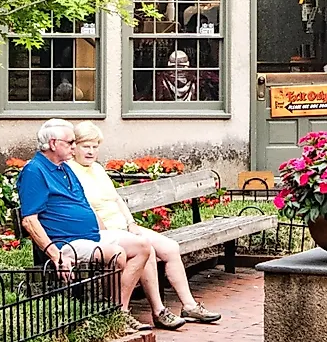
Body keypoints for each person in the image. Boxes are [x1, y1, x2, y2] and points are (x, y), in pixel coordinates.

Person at [67, 121, 220, 330]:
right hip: (105, 232)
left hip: (123, 226)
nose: (91, 151)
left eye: (95, 146)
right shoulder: (70, 171)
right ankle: (158, 311)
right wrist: (105, 231)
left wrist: (131, 223)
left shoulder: (97, 169)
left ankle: (189, 306)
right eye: (86, 146)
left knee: (170, 248)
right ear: (74, 146)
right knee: (144, 248)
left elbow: (117, 199)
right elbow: (85, 207)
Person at [15, 119, 148, 331]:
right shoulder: (35, 171)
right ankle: (114, 316)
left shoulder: (64, 169)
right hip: (65, 243)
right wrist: (55, 255)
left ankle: (118, 312)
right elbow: (29, 221)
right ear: (52, 143)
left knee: (142, 247)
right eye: (70, 142)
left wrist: (104, 232)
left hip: (90, 236)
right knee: (116, 254)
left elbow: (84, 205)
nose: (74, 147)